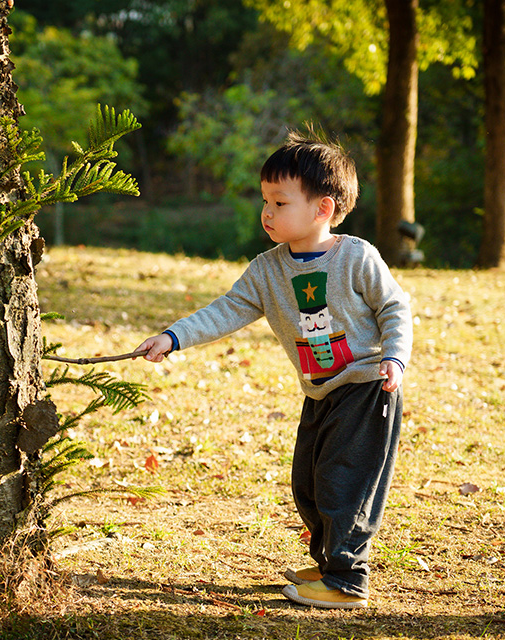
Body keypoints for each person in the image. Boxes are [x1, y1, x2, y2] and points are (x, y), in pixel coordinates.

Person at [135, 127, 413, 609]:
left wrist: (394, 356)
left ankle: (347, 580)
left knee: (343, 481)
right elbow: (226, 310)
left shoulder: (356, 257)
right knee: (307, 483)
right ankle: (330, 560)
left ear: (322, 208)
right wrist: (173, 336)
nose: (267, 212)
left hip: (368, 387)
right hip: (320, 391)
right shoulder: (268, 269)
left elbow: (394, 308)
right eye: (265, 200)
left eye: (280, 203)